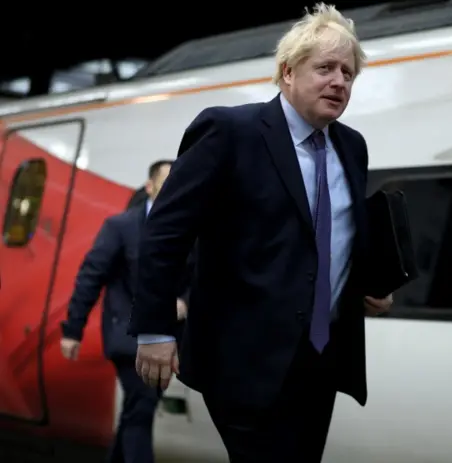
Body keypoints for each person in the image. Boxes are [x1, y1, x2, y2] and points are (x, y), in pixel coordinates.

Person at [128, 3, 393, 462]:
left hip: (321, 358)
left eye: (348, 73)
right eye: (325, 68)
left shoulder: (352, 146)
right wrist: (154, 329)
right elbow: (164, 233)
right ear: (288, 72)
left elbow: (335, 234)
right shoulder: (230, 131)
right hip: (243, 359)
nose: (339, 82)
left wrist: (371, 283)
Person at [60, 160, 190, 463]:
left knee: (135, 411)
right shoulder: (121, 227)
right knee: (141, 408)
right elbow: (91, 276)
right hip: (127, 336)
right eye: (166, 180)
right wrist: (72, 330)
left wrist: (185, 301)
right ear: (149, 186)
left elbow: (201, 278)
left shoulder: (189, 230)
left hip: (168, 339)